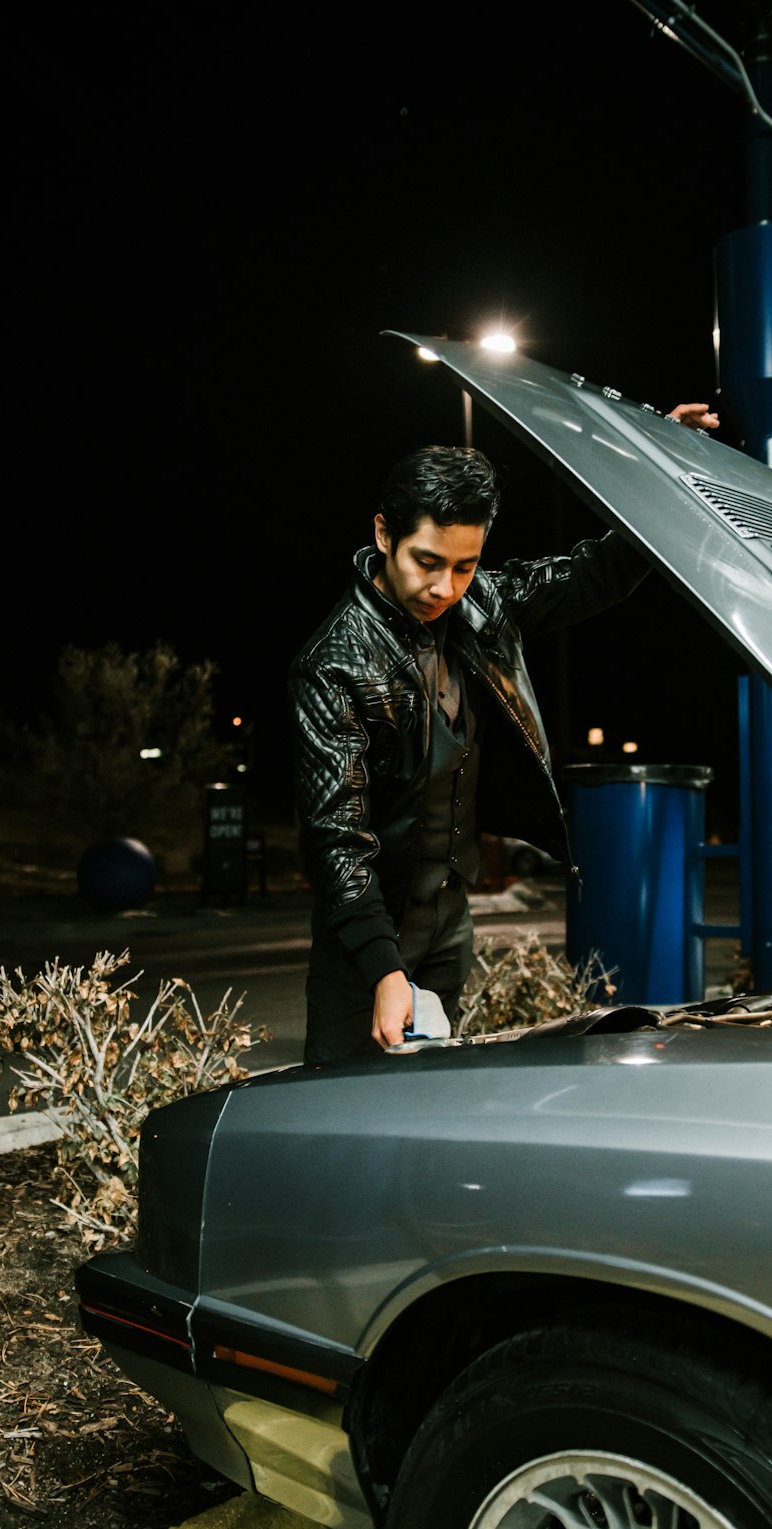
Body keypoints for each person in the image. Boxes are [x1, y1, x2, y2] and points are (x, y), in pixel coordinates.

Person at [289, 403, 719, 1063]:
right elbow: (336, 842)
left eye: (464, 566)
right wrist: (381, 969)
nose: (444, 587)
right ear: (384, 534)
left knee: (434, 1124)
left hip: (446, 933)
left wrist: (659, 468)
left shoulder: (481, 604)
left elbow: (591, 574)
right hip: (364, 950)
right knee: (345, 1128)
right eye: (427, 562)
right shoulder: (335, 663)